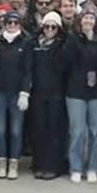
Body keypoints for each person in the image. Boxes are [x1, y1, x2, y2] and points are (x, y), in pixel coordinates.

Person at [0, 11, 33, 180]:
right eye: (9, 22)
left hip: (17, 92)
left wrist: (25, 92)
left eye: (15, 22)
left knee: (16, 131)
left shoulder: (26, 42)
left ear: (20, 24)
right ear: (4, 23)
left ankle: (14, 164)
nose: (12, 25)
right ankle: (1, 163)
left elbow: (28, 70)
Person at [65, 11, 97, 183]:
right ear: (80, 20)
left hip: (96, 92)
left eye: (91, 18)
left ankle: (92, 167)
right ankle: (76, 167)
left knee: (94, 131)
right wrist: (79, 39)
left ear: (95, 21)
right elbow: (68, 61)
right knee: (77, 132)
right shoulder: (72, 39)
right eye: (85, 17)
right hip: (76, 91)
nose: (88, 20)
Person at [28, 12, 71, 180]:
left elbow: (65, 65)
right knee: (39, 129)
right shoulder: (34, 44)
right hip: (38, 93)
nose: (50, 30)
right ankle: (39, 164)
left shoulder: (63, 45)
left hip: (56, 93)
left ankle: (54, 165)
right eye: (47, 26)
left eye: (53, 27)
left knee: (54, 130)